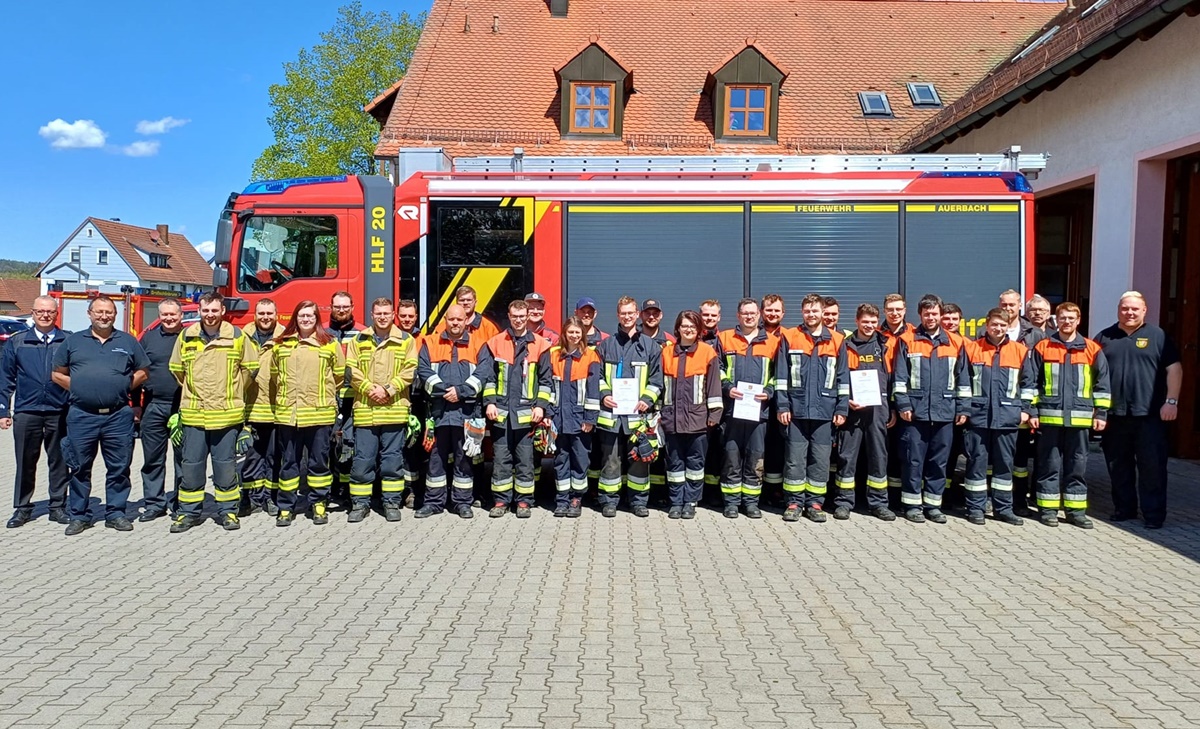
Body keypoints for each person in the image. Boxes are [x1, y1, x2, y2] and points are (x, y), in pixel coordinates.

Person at [52, 296, 150, 535]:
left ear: (115, 315)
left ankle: (115, 513)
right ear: (90, 314)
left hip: (117, 416)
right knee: (79, 467)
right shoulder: (74, 341)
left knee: (118, 467)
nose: (104, 316)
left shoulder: (127, 341)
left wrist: (124, 387)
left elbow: (143, 372)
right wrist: (79, 388)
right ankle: (79, 515)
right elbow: (57, 374)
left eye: (109, 312)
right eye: (99, 312)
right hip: (82, 416)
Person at [167, 292, 259, 533]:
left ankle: (228, 511)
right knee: (191, 466)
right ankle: (188, 513)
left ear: (222, 311)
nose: (210, 315)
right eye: (206, 310)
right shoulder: (186, 336)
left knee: (225, 466)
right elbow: (177, 370)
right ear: (200, 310)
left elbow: (250, 369)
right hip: (195, 414)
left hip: (226, 415)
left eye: (214, 310)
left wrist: (232, 390)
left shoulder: (237, 336)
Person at [1096, 291, 1182, 529]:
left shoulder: (1158, 336)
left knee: (1152, 467)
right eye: (1125, 308)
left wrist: (1171, 401)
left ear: (1145, 310)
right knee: (1118, 466)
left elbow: (1174, 369)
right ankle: (1124, 509)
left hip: (1150, 415)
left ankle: (1154, 514)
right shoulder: (1105, 336)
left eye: (1135, 309)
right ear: (1118, 309)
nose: (1129, 312)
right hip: (1115, 415)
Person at [1029, 302, 1110, 528]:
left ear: (1078, 320)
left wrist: (1101, 413)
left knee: (1078, 466)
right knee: (1049, 465)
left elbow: (1102, 385)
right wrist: (1032, 411)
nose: (1067, 322)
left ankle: (1076, 511)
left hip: (1081, 419)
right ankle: (1048, 510)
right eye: (1063, 318)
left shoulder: (1092, 349)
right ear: (1056, 319)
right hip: (1049, 418)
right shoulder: (1043, 347)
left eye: (1071, 318)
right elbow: (1031, 383)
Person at [891, 294, 970, 524]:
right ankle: (912, 505)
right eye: (927, 314)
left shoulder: (956, 343)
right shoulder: (907, 340)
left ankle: (933, 506)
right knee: (913, 460)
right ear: (920, 315)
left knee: (939, 461)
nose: (931, 317)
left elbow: (963, 379)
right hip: (915, 412)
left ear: (940, 315)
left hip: (945, 412)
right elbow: (899, 377)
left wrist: (963, 408)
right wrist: (903, 404)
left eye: (935, 313)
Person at [271, 300, 346, 526]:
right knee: (289, 463)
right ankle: (286, 507)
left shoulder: (329, 344)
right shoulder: (281, 345)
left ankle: (318, 503)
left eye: (310, 316)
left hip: (319, 415)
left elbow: (339, 376)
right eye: (302, 315)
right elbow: (276, 376)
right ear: (296, 318)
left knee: (318, 464)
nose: (306, 319)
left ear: (316, 319)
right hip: (289, 416)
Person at [346, 297, 418, 523]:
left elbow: (410, 370)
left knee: (392, 461)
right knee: (362, 460)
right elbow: (351, 371)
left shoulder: (406, 340)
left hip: (394, 409)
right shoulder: (358, 340)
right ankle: (360, 504)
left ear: (393, 315)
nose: (383, 316)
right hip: (366, 410)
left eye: (386, 313)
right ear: (371, 314)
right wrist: (369, 389)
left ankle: (391, 503)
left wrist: (387, 390)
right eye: (378, 313)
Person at [961, 307, 1036, 527]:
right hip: (978, 416)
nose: (998, 328)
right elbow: (964, 383)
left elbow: (1028, 384)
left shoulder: (1019, 351)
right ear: (987, 324)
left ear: (1008, 327)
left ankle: (1004, 508)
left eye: (1003, 325)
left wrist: (1025, 408)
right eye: (994, 324)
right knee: (977, 463)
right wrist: (965, 410)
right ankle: (975, 508)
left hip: (1007, 417)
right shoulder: (973, 349)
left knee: (1005, 465)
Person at [776, 293, 848, 522]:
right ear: (802, 312)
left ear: (823, 313)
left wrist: (841, 408)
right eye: (807, 311)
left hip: (825, 411)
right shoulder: (790, 337)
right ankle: (794, 502)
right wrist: (782, 405)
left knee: (820, 459)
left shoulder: (837, 340)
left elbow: (843, 378)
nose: (811, 315)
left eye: (815, 311)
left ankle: (815, 503)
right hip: (796, 411)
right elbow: (781, 376)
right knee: (795, 458)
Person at [1, 295, 70, 527]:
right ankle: (22, 508)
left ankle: (58, 506)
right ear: (32, 313)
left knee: (59, 460)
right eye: (40, 311)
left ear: (56, 313)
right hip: (27, 410)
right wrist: (3, 410)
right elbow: (6, 378)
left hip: (59, 410)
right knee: (25, 460)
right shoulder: (18, 342)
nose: (45, 315)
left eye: (49, 311)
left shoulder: (67, 340)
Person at [481, 299, 552, 518]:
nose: (519, 320)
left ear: (528, 316)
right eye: (515, 317)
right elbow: (488, 377)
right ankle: (501, 501)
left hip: (526, 414)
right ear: (509, 317)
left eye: (522, 316)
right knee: (501, 459)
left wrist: (541, 406)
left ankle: (524, 502)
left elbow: (546, 381)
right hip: (501, 413)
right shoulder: (495, 343)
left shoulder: (541, 344)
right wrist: (490, 402)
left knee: (525, 460)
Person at [595, 296, 663, 517]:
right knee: (610, 462)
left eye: (630, 313)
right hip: (611, 416)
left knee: (639, 460)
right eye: (623, 313)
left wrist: (646, 399)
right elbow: (595, 377)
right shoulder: (605, 345)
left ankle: (638, 502)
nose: (627, 317)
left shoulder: (651, 347)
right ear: (618, 315)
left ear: (637, 315)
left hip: (638, 416)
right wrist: (604, 395)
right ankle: (609, 501)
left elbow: (657, 380)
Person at [414, 304, 483, 518]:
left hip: (467, 412)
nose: (455, 323)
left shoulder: (479, 344)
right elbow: (423, 370)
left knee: (464, 458)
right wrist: (446, 391)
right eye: (451, 319)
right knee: (435, 458)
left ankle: (462, 503)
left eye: (459, 320)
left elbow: (484, 373)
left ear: (466, 321)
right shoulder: (430, 342)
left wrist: (460, 392)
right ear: (446, 319)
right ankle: (434, 502)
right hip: (437, 412)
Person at [834, 303, 896, 521]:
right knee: (847, 456)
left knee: (879, 456)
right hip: (853, 410)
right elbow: (838, 376)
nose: (869, 325)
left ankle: (878, 503)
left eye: (873, 322)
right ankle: (843, 502)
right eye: (865, 321)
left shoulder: (885, 344)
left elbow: (894, 378)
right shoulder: (846, 344)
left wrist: (893, 408)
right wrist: (845, 401)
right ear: (857, 321)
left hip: (878, 410)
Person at [659, 310, 722, 519]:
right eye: (684, 326)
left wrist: (714, 415)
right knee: (674, 463)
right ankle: (676, 501)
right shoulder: (666, 353)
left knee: (695, 463)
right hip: (671, 419)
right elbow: (660, 387)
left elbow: (713, 387)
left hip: (698, 419)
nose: (688, 330)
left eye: (692, 327)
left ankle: (691, 502)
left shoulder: (707, 353)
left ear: (698, 330)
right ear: (677, 328)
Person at [718, 298, 777, 518]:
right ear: (738, 315)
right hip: (733, 410)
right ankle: (731, 502)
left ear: (759, 315)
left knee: (755, 456)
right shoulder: (724, 338)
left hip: (758, 411)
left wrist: (769, 392)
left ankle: (751, 502)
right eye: (745, 313)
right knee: (731, 456)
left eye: (753, 313)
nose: (749, 317)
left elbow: (776, 375)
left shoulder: (772, 342)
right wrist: (727, 388)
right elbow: (718, 369)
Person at [134, 298, 185, 522]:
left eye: (173, 314)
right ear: (159, 315)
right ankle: (154, 504)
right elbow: (137, 371)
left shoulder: (191, 337)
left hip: (183, 408)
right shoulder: (148, 338)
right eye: (164, 314)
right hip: (153, 405)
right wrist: (136, 404)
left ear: (181, 315)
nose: (169, 318)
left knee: (184, 459)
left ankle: (182, 503)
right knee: (153, 459)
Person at [546, 317, 601, 518]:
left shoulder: (591, 357)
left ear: (583, 334)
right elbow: (549, 387)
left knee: (580, 459)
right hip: (559, 419)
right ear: (564, 333)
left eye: (578, 332)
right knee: (560, 459)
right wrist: (548, 415)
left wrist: (590, 419)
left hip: (580, 420)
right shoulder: (553, 356)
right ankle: (561, 499)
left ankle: (576, 498)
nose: (574, 335)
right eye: (571, 332)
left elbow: (593, 391)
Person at [999, 291, 1049, 515]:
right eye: (1004, 304)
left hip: (1020, 407)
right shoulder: (986, 330)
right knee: (996, 458)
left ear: (1020, 306)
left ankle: (1019, 501)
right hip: (996, 407)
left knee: (1019, 459)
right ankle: (997, 500)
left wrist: (1030, 408)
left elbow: (1038, 376)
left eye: (1012, 304)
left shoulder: (1035, 334)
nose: (1008, 308)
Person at [240, 299, 284, 515]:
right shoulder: (241, 337)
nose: (265, 317)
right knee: (252, 456)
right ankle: (250, 498)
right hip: (250, 407)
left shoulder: (286, 338)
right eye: (261, 313)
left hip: (277, 409)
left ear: (277, 314)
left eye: (269, 313)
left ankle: (270, 498)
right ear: (254, 315)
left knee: (274, 457)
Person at [326, 291, 362, 508]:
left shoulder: (362, 333)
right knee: (328, 445)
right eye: (337, 306)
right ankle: (331, 487)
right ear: (331, 307)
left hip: (352, 396)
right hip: (328, 397)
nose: (341, 310)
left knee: (350, 444)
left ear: (352, 307)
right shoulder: (321, 332)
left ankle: (347, 489)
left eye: (345, 306)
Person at [880, 293, 911, 506]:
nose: (894, 313)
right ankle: (882, 498)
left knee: (904, 452)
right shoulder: (876, 334)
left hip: (905, 402)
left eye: (898, 309)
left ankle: (898, 499)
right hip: (881, 398)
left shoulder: (913, 335)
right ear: (884, 311)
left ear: (904, 311)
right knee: (882, 451)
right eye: (890, 309)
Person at [396, 299, 427, 506]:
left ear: (416, 317)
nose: (407, 319)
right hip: (397, 399)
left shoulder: (424, 339)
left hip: (419, 399)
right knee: (397, 448)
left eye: (411, 316)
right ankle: (401, 490)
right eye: (403, 316)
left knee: (416, 447)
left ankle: (415, 491)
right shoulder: (392, 338)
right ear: (397, 316)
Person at [759, 294, 787, 503]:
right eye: (769, 310)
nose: (772, 314)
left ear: (783, 313)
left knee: (778, 448)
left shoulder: (789, 336)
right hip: (756, 402)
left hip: (781, 401)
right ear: (762, 312)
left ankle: (775, 491)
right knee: (759, 447)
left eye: (776, 310)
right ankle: (758, 491)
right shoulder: (755, 335)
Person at [435, 285, 501, 344]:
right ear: (456, 302)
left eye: (469, 300)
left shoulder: (489, 328)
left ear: (475, 302)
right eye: (462, 300)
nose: (465, 303)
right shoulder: (443, 327)